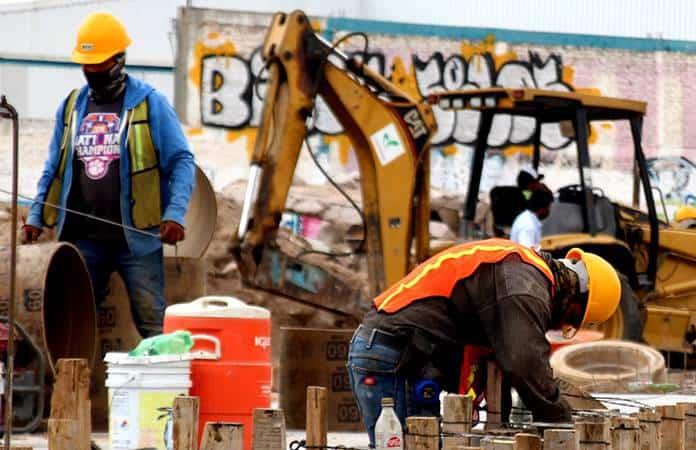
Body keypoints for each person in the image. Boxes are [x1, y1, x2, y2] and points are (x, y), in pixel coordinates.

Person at [347, 238, 620, 447]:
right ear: (575, 297)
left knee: (424, 443)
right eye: (570, 319)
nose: (560, 326)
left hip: (401, 353)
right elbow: (523, 362)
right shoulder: (525, 285)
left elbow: (502, 354)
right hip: (393, 353)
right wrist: (561, 421)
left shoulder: (522, 269)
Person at [22, 12, 195, 337]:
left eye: (99, 64)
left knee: (153, 325)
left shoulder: (150, 104)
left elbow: (182, 160)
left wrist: (175, 214)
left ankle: (165, 383)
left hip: (137, 241)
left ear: (118, 61)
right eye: (87, 65)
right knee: (71, 324)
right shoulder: (72, 106)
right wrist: (35, 215)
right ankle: (72, 386)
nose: (92, 72)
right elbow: (53, 168)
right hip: (82, 239)